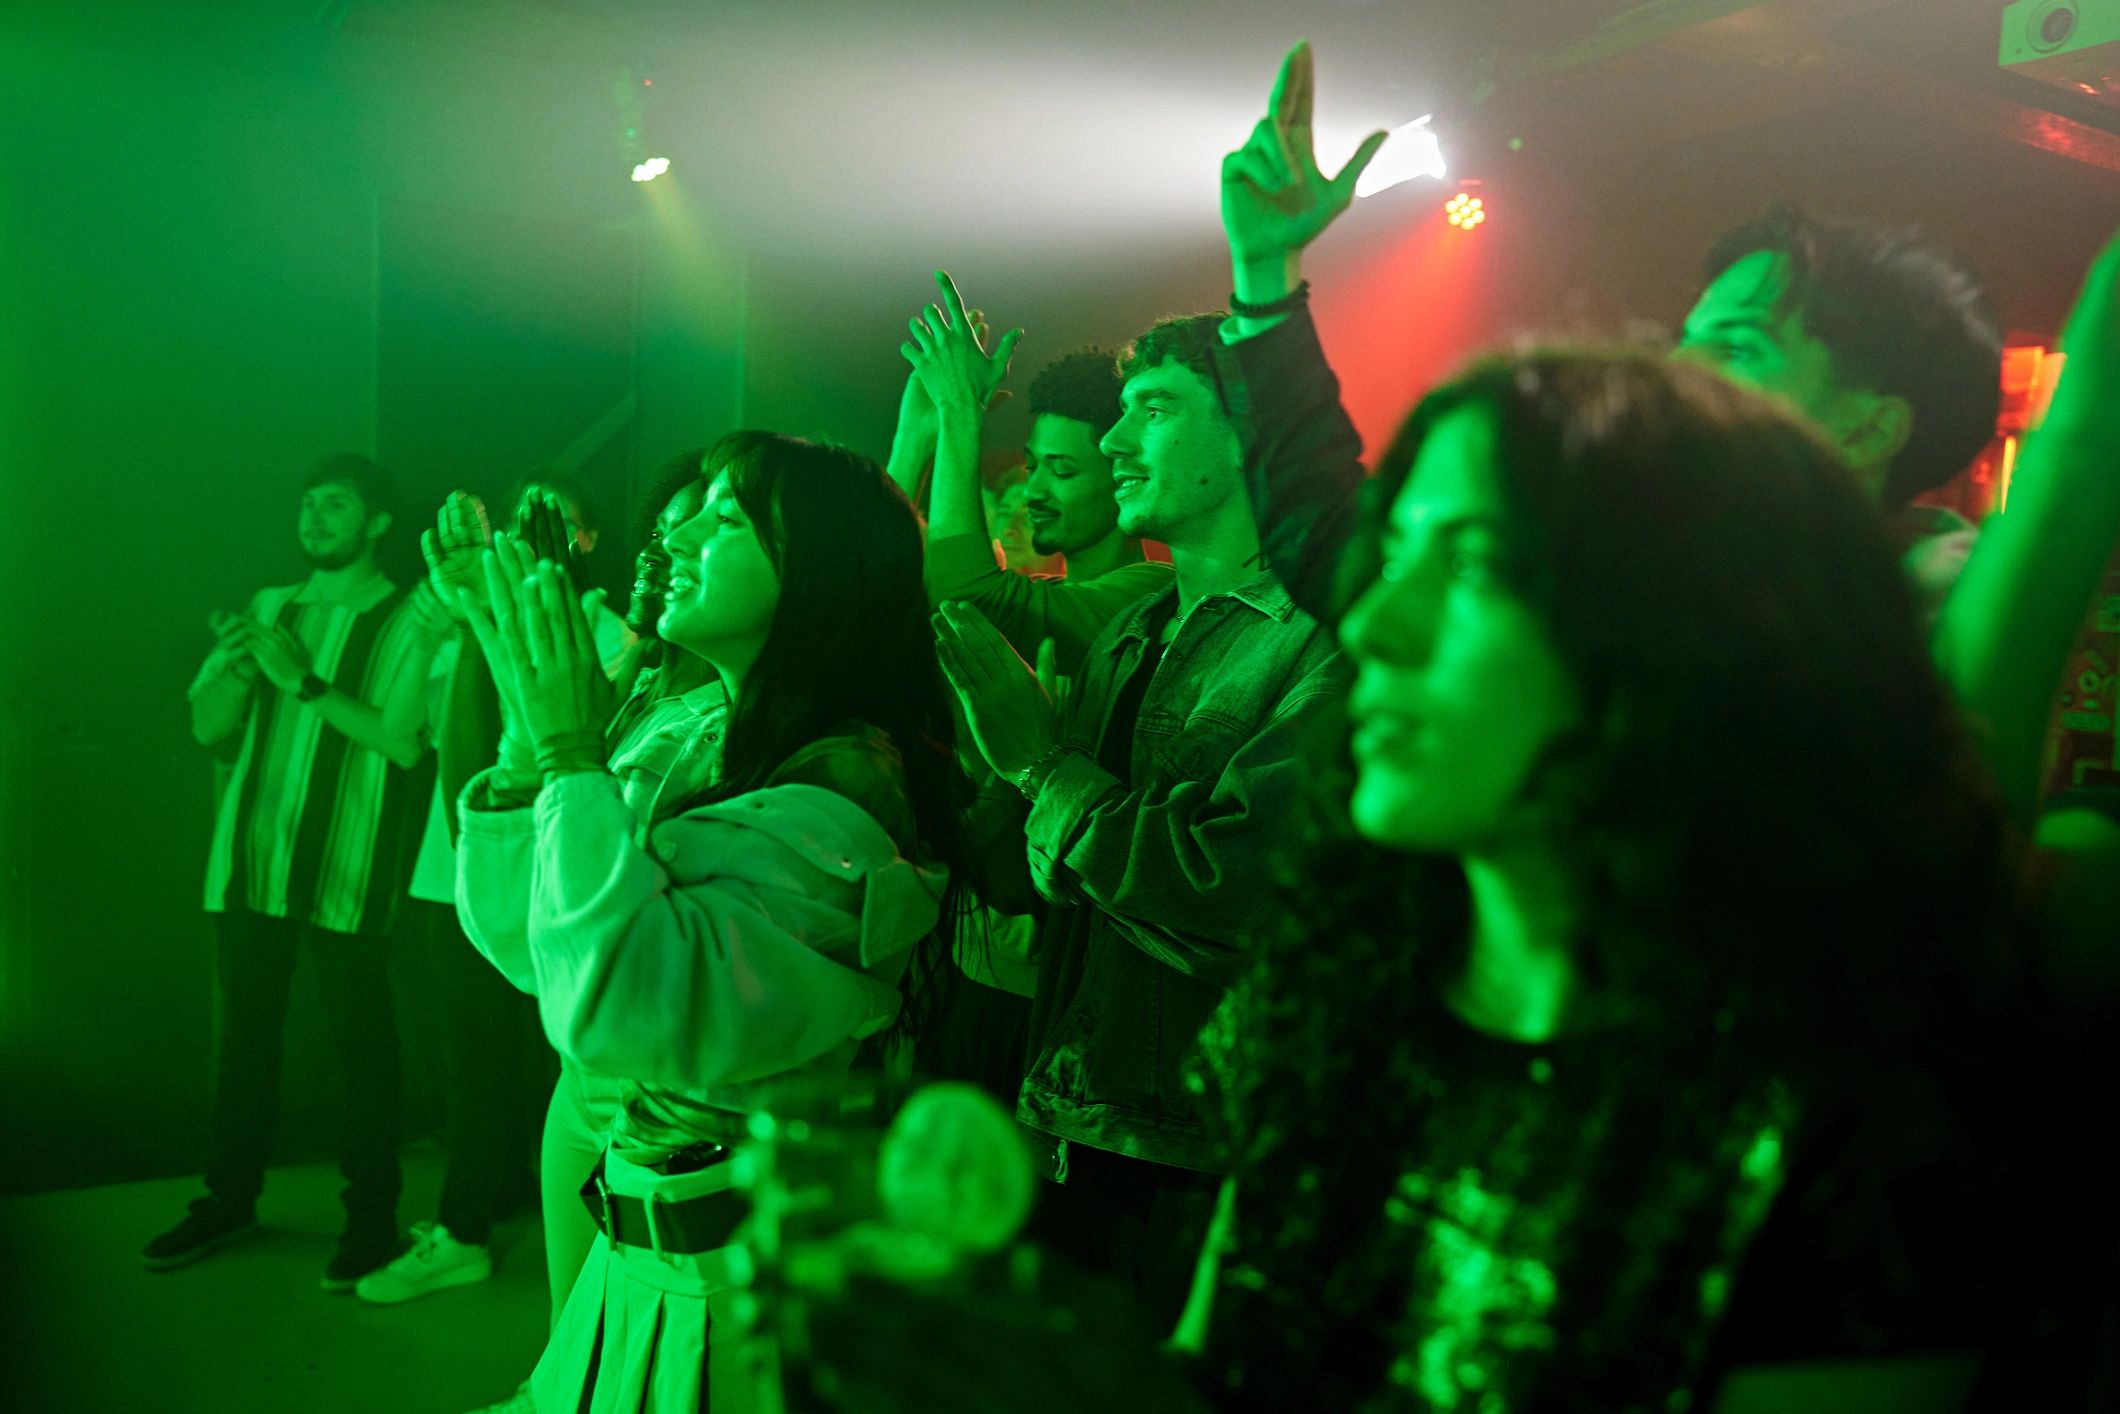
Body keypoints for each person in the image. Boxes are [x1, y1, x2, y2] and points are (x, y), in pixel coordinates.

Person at [1179, 43, 2069, 1410]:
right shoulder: (1363, 985)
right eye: (1679, 339)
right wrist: (1263, 285)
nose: (1379, 628)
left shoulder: (1916, 673)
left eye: (1733, 350)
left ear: (1868, 424)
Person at [453, 431, 972, 1411]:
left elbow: (620, 1002)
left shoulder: (849, 781)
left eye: (725, 518)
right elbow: (533, 951)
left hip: (735, 1284)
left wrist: (567, 752)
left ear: (821, 575)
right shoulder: (703, 725)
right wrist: (531, 757)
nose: (675, 535)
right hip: (641, 1247)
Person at [924, 269, 1350, 1328]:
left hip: (1205, 1152)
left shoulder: (1322, 640)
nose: (1115, 441)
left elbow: (1228, 892)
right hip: (1076, 1116)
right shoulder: (1131, 628)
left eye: (1152, 410)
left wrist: (1041, 773)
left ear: (1249, 436)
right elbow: (1057, 882)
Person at [147, 453, 450, 1292]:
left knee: (364, 1051)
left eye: (336, 504)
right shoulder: (269, 607)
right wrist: (242, 673)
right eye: (308, 502)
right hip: (252, 861)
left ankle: (371, 1222)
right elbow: (209, 730)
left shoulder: (411, 618)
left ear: (377, 523)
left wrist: (302, 681)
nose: (314, 517)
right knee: (244, 1042)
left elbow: (403, 744)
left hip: (349, 868)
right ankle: (228, 1200)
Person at [1678, 205, 2004, 613]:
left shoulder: (1948, 630)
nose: (1671, 366)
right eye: (1683, 342)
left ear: (1866, 432)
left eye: (1736, 349)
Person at [914, 308, 1173, 678]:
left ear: (1124, 477)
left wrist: (958, 411)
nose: (1033, 491)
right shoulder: (1048, 595)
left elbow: (963, 598)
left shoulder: (1152, 596)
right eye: (1032, 466)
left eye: (1062, 470)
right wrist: (914, 438)